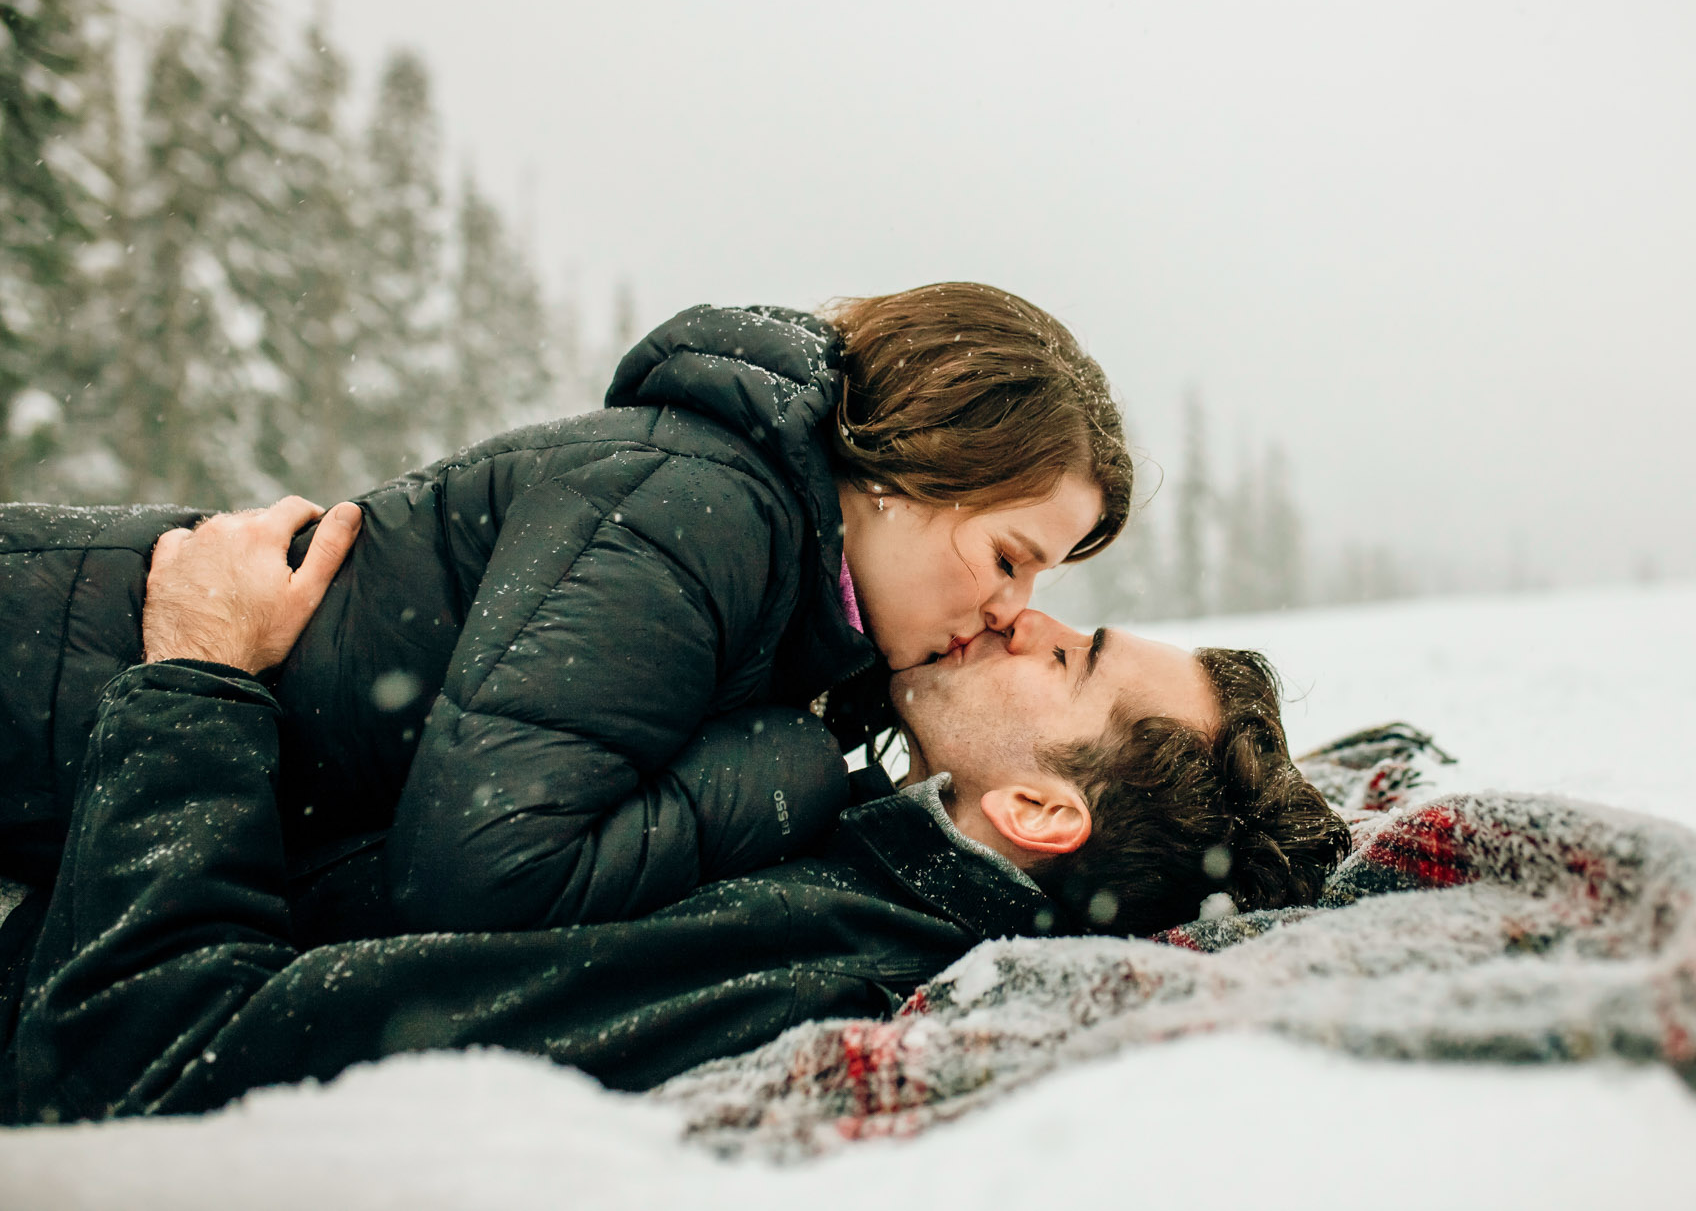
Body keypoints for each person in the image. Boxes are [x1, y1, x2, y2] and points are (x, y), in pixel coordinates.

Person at [1, 494, 1346, 1124]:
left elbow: (144, 1056)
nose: (1025, 617)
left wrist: (193, 678)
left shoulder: (798, 963)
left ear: (1045, 809)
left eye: (1069, 661)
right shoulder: (848, 839)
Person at [0, 282, 1131, 938]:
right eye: (1005, 557)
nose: (1005, 612)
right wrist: (780, 768)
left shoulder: (783, 588)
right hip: (46, 653)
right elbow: (484, 871)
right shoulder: (703, 512)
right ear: (906, 464)